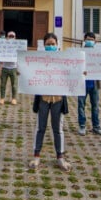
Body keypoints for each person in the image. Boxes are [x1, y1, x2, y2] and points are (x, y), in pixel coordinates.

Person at [29, 32, 72, 172]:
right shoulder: (38, 59)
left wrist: (80, 74)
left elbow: (72, 72)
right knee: (40, 127)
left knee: (57, 129)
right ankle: (36, 156)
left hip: (58, 99)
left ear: (57, 45)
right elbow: (30, 71)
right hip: (43, 98)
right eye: (48, 44)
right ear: (44, 45)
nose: (51, 46)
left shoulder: (64, 59)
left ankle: (60, 157)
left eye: (53, 44)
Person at [77, 32, 101, 135]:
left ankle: (96, 126)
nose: (90, 41)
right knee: (81, 105)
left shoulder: (99, 53)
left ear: (95, 41)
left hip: (95, 83)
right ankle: (82, 126)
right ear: (84, 40)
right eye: (88, 39)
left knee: (95, 106)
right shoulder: (79, 52)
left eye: (92, 40)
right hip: (82, 83)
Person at [0, 31, 19, 105]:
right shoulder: (3, 45)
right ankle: (2, 98)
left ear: (15, 38)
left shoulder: (18, 46)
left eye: (12, 36)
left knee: (14, 85)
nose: (11, 38)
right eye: (10, 36)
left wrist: (18, 69)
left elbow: (20, 57)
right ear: (7, 37)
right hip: (5, 67)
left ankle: (14, 98)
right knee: (2, 84)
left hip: (13, 68)